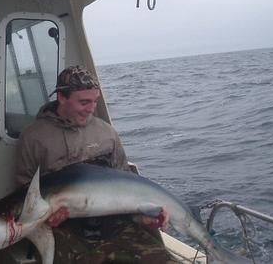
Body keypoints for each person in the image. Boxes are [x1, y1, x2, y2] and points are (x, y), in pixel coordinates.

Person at [16, 65, 175, 263]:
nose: (91, 109)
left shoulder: (107, 133)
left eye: (94, 101)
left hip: (114, 224)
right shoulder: (33, 138)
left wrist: (142, 218)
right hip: (63, 229)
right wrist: (44, 218)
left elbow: (126, 190)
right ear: (62, 97)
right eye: (84, 102)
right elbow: (23, 197)